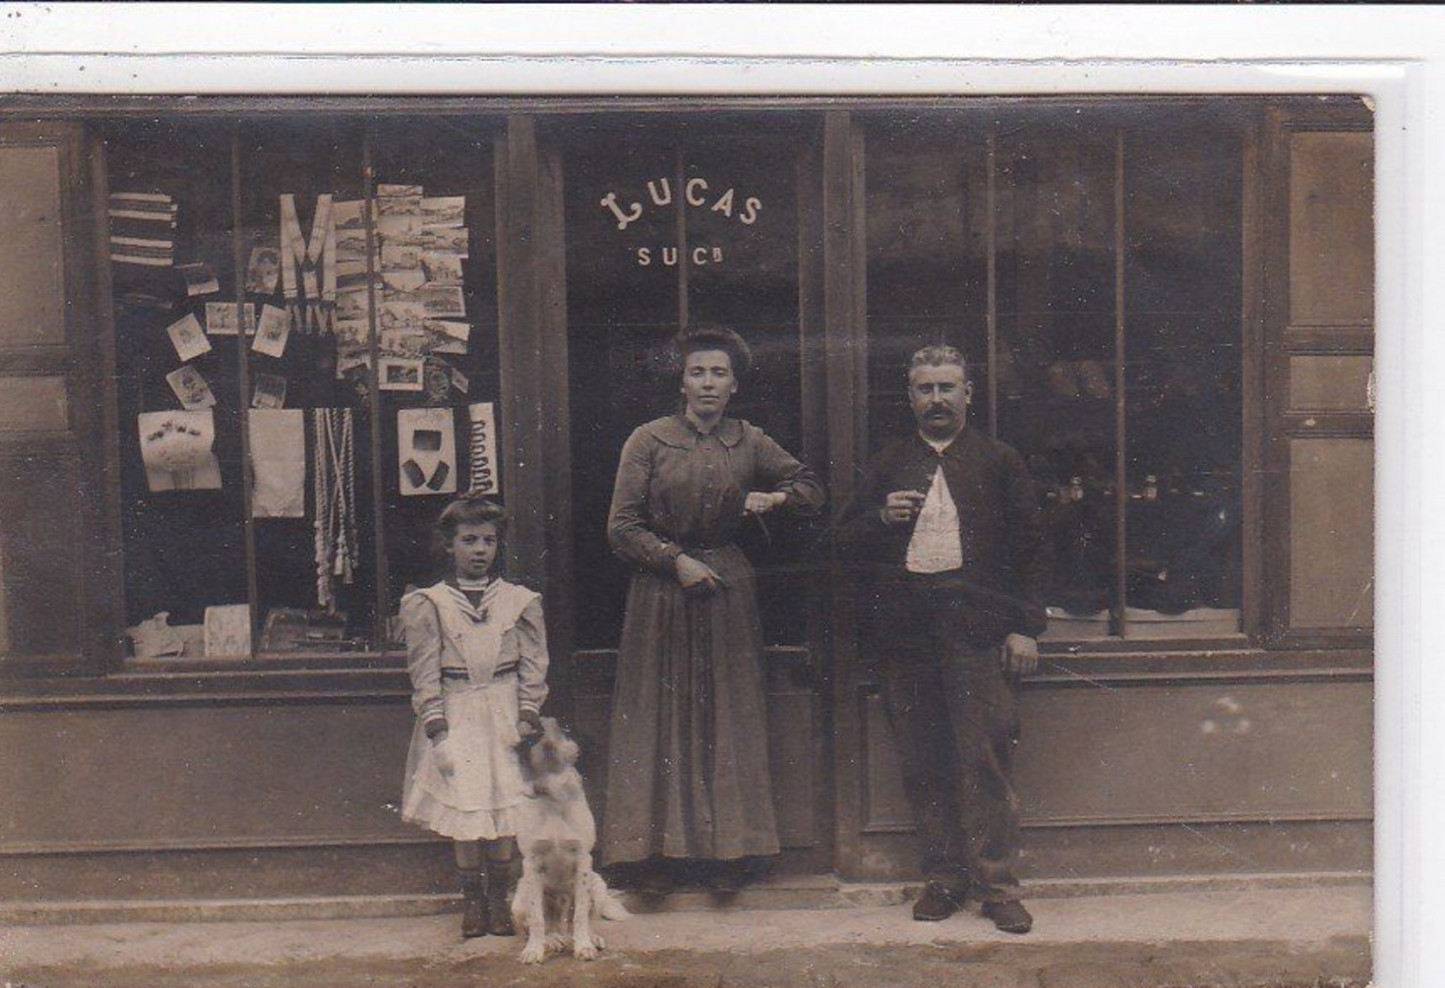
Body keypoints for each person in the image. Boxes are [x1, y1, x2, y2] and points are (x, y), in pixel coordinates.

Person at [602, 325, 825, 894]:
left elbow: (810, 487)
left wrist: (774, 497)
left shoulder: (748, 440)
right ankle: (654, 858)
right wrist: (673, 561)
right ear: (681, 380)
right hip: (660, 593)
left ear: (734, 386)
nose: (707, 383)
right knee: (660, 716)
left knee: (728, 715)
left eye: (718, 373)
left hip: (727, 590)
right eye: (698, 371)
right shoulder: (648, 441)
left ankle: (728, 855)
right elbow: (621, 526)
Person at [836, 345, 1050, 934]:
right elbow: (840, 543)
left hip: (978, 637)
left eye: (947, 388)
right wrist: (880, 519)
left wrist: (1022, 626)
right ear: (909, 398)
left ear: (968, 395)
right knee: (923, 761)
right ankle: (944, 879)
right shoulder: (886, 465)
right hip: (906, 640)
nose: (936, 400)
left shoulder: (999, 461)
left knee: (984, 760)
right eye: (925, 389)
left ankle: (997, 885)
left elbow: (1031, 549)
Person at [399, 497, 548, 939]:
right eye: (468, 541)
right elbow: (424, 669)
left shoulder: (520, 601)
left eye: (488, 540)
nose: (479, 550)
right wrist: (436, 726)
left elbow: (534, 664)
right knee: (467, 806)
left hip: (503, 711)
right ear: (449, 546)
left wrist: (527, 712)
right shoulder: (430, 603)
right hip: (459, 710)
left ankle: (500, 901)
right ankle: (473, 903)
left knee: (503, 806)